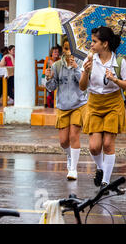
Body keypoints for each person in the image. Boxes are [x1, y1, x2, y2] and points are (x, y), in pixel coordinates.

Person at [79, 26, 126, 192]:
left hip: (113, 104)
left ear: (105, 44)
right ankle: (100, 167)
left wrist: (115, 79)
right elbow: (82, 87)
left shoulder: (119, 62)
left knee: (108, 144)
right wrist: (85, 73)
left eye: (94, 41)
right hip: (94, 104)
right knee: (94, 147)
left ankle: (105, 182)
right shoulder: (89, 60)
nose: (91, 44)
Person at [45, 38, 88, 180]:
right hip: (63, 106)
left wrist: (76, 67)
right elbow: (51, 88)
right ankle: (70, 155)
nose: (68, 51)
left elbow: (83, 85)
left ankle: (73, 169)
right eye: (65, 47)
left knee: (74, 135)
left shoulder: (81, 63)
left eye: (70, 48)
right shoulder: (57, 65)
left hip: (78, 104)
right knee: (63, 141)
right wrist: (48, 78)